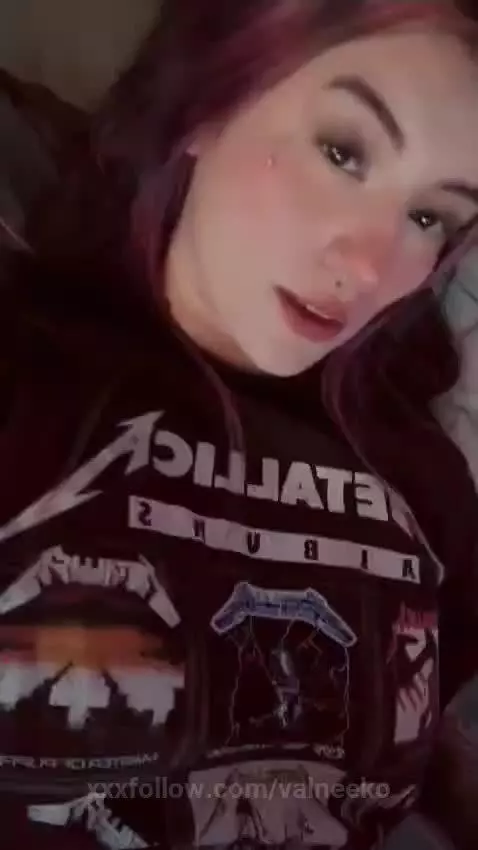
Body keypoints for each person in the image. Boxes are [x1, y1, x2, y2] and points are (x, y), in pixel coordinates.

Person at [0, 0, 478, 848]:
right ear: (205, 106)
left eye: (429, 216)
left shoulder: (428, 484)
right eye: (343, 152)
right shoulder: (28, 371)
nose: (372, 266)